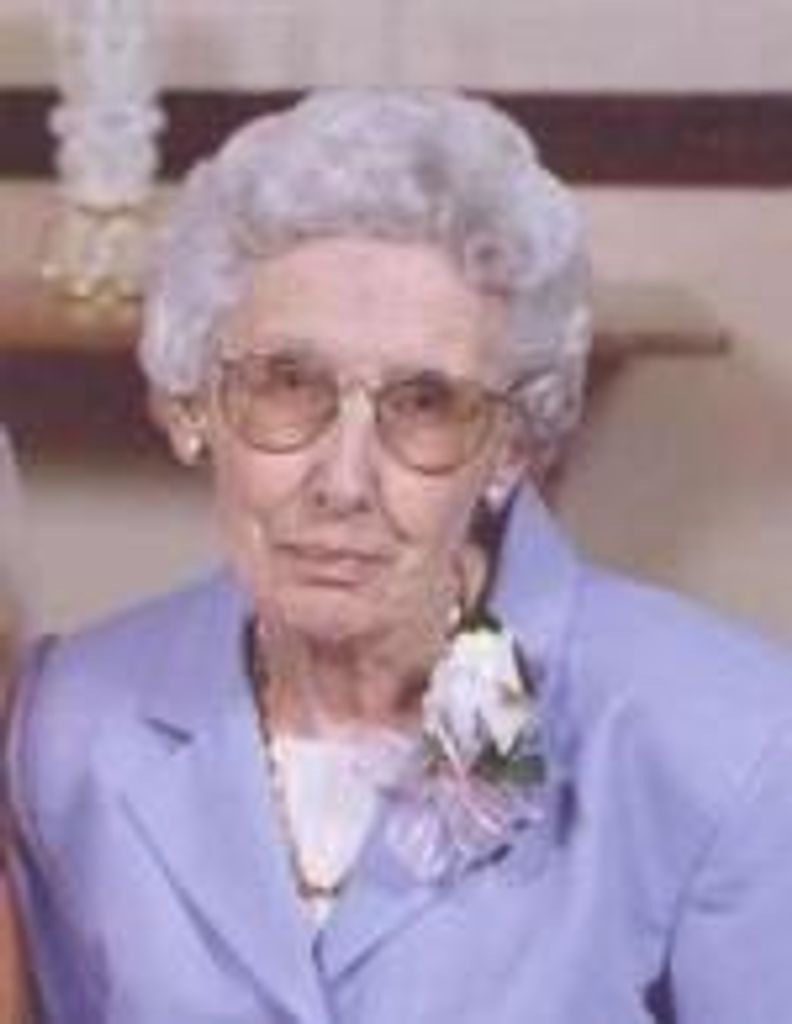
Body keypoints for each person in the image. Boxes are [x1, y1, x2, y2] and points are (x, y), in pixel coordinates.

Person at [5, 89, 792, 1024]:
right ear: (190, 407)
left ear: (513, 446)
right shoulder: (71, 728)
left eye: (425, 403)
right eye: (285, 384)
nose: (343, 481)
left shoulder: (726, 740)